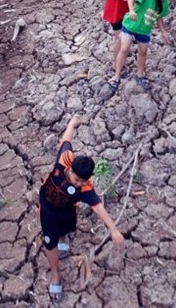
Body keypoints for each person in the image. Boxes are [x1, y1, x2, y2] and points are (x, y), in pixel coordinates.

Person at [39, 115, 125, 301]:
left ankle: (64, 237)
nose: (78, 184)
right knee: (49, 242)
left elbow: (99, 208)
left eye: (82, 181)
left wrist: (113, 229)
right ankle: (56, 275)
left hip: (66, 212)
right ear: (71, 169)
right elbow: (67, 140)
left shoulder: (85, 188)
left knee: (66, 228)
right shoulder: (64, 159)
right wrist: (72, 123)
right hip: (47, 211)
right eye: (77, 179)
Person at [108, 0, 176, 91]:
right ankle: (116, 76)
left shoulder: (165, 3)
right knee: (125, 48)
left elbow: (159, 18)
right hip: (131, 25)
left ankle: (140, 74)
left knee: (143, 51)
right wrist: (132, 11)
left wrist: (164, 32)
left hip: (144, 29)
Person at [102, 0, 149, 66]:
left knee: (123, 39)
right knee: (119, 39)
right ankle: (116, 65)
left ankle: (120, 61)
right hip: (115, 12)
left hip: (125, 12)